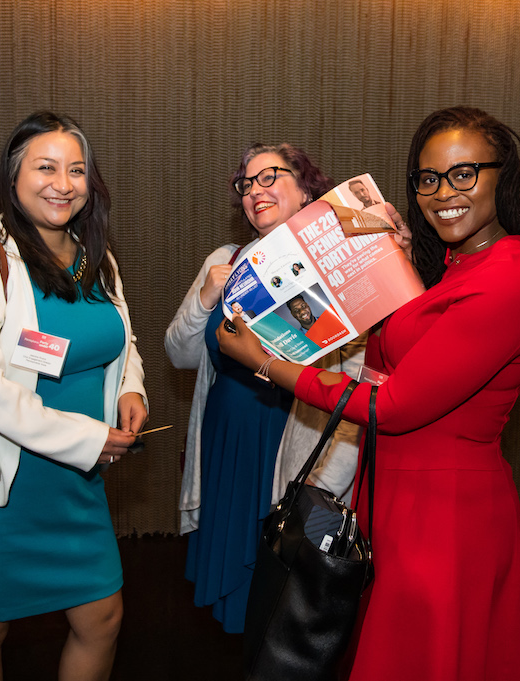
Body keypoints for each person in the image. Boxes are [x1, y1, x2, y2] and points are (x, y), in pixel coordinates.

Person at [217, 107, 520, 679]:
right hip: (398, 500)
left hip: (445, 520)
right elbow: (390, 363)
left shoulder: (508, 278)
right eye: (428, 179)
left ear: (502, 176)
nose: (442, 194)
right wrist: (392, 266)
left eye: (465, 174)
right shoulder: (461, 265)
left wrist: (264, 362)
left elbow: (391, 405)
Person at [0, 111, 148, 681]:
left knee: (102, 619)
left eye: (77, 170)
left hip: (77, 485)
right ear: (12, 176)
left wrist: (130, 386)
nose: (63, 183)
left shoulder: (96, 258)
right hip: (2, 481)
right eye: (45, 167)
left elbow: (122, 339)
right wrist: (86, 438)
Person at [165, 143, 364, 634]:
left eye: (270, 177)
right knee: (240, 568)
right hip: (229, 434)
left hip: (300, 436)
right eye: (246, 184)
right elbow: (177, 354)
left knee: (299, 572)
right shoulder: (225, 260)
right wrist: (207, 296)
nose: (255, 191)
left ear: (305, 189)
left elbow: (354, 379)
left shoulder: (340, 269)